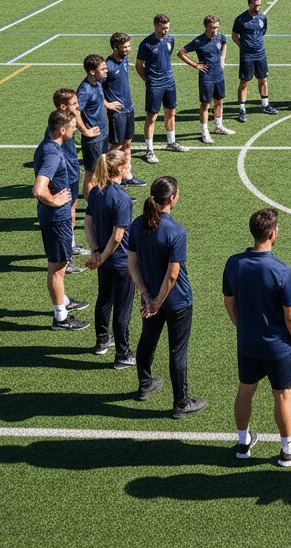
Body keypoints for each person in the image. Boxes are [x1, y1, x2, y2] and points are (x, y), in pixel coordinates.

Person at [223, 208, 291, 467]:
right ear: (273, 234)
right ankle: (288, 450)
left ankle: (243, 443)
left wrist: (242, 327)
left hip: (248, 343)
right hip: (277, 347)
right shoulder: (281, 270)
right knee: (283, 395)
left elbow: (228, 302)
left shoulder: (234, 263)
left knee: (245, 390)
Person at [128, 176, 207, 419]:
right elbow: (173, 276)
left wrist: (146, 295)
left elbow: (132, 262)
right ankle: (181, 403)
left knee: (147, 341)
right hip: (176, 301)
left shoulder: (138, 224)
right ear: (172, 198)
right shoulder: (176, 231)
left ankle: (144, 384)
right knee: (177, 351)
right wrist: (157, 301)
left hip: (150, 296)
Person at [33, 109, 90, 331]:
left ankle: (64, 301)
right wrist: (55, 201)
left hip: (56, 216)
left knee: (60, 264)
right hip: (55, 218)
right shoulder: (53, 154)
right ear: (61, 129)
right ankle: (60, 318)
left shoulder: (48, 145)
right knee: (57, 268)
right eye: (73, 126)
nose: (76, 128)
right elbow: (38, 189)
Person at [83, 148, 136, 367]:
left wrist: (96, 251)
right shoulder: (122, 198)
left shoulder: (96, 191)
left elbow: (87, 222)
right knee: (122, 308)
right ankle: (123, 354)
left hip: (104, 259)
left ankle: (102, 341)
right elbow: (118, 236)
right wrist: (102, 256)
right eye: (128, 164)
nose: (130, 168)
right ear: (120, 168)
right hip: (121, 261)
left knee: (104, 299)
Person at [135, 13, 188, 163]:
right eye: (163, 28)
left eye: (167, 28)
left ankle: (171, 142)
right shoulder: (146, 44)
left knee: (171, 112)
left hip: (169, 82)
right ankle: (149, 150)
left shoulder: (170, 39)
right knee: (152, 117)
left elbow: (167, 56)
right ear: (156, 26)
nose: (166, 31)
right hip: (155, 84)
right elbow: (139, 66)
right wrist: (149, 80)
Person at [179, 16, 237, 144]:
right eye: (212, 27)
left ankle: (219, 126)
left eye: (216, 27)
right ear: (206, 27)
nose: (215, 30)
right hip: (206, 77)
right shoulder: (199, 41)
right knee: (206, 104)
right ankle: (204, 132)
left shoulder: (220, 37)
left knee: (219, 101)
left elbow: (224, 43)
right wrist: (196, 65)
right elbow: (181, 53)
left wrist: (222, 58)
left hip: (219, 75)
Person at [51, 87, 88, 267]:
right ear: (63, 107)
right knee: (65, 218)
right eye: (74, 104)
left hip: (72, 174)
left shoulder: (68, 122)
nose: (78, 106)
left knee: (72, 213)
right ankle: (65, 260)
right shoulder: (58, 130)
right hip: (64, 179)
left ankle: (71, 245)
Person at [104, 32, 145, 187]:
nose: (128, 49)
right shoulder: (107, 66)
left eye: (129, 45)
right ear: (115, 47)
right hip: (117, 113)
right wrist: (107, 104)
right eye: (125, 46)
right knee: (115, 147)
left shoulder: (125, 60)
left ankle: (126, 174)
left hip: (129, 108)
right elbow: (95, 87)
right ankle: (110, 179)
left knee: (128, 143)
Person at [232, 0, 278, 121]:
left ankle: (265, 105)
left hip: (260, 54)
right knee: (244, 82)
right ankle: (242, 110)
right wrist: (244, 47)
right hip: (247, 56)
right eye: (255, 5)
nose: (258, 7)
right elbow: (234, 36)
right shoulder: (240, 19)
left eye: (259, 4)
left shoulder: (262, 18)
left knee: (263, 79)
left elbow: (263, 32)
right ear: (249, 4)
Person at [76, 54, 114, 200]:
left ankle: (101, 198)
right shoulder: (84, 90)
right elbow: (75, 112)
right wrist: (85, 131)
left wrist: (107, 104)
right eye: (103, 69)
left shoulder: (98, 82)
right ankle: (90, 207)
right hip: (93, 140)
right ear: (92, 71)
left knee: (102, 169)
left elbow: (99, 96)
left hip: (103, 134)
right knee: (91, 173)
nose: (106, 71)